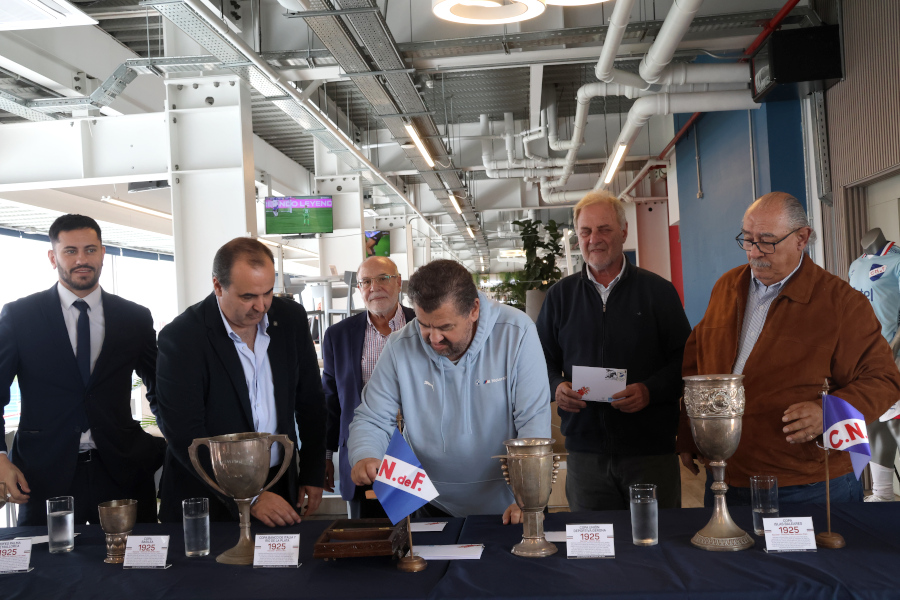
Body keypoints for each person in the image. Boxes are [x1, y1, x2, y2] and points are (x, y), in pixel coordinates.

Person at [679, 192, 900, 505]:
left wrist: (829, 412)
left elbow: (883, 379)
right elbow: (697, 363)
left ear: (802, 238)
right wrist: (690, 431)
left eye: (767, 240)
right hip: (726, 474)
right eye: (748, 239)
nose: (754, 252)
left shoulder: (842, 304)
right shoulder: (726, 287)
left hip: (808, 484)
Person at [348, 259, 550, 522]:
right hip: (430, 501)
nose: (433, 338)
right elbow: (372, 417)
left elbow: (533, 420)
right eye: (424, 324)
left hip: (511, 502)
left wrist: (529, 492)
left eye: (445, 327)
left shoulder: (517, 332)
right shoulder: (400, 346)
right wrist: (365, 454)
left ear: (474, 309)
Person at [0, 214, 165, 525]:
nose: (81, 260)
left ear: (103, 252)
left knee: (136, 566)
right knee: (46, 568)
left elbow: (161, 386)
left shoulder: (134, 317)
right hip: (44, 471)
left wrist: (174, 439)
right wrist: (0, 457)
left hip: (122, 468)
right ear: (53, 257)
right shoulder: (20, 316)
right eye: (70, 251)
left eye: (90, 250)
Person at [536, 192, 691, 512]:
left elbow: (686, 361)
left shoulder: (658, 292)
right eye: (585, 232)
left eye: (604, 229)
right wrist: (557, 387)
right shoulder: (559, 297)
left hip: (650, 452)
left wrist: (650, 391)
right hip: (585, 456)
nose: (594, 239)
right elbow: (540, 360)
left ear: (623, 232)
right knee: (593, 551)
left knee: (657, 547)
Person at [155, 237, 326, 527]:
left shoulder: (290, 319)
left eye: (268, 292)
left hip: (279, 485)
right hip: (208, 500)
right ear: (218, 286)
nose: (261, 306)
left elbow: (310, 400)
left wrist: (312, 471)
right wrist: (251, 497)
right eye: (248, 297)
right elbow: (185, 434)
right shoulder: (183, 337)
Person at [322, 256, 415, 518]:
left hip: (415, 453)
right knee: (368, 537)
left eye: (383, 278)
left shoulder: (422, 326)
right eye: (365, 281)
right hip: (363, 457)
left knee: (419, 538)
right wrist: (326, 455)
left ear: (398, 283)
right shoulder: (338, 336)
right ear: (359, 289)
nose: (374, 287)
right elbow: (331, 402)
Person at [848, 227, 900, 501]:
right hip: (864, 363)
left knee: (896, 424)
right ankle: (883, 494)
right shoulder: (855, 266)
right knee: (875, 424)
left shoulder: (897, 261)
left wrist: (890, 351)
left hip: (894, 361)